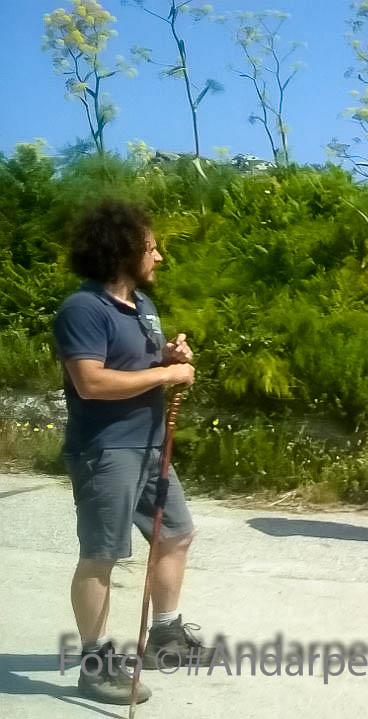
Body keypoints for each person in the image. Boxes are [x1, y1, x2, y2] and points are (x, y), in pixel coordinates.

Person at [53, 199, 211, 705]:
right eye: (150, 247)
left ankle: (164, 636)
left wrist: (165, 355)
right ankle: (95, 664)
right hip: (106, 448)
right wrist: (167, 374)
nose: (159, 256)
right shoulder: (83, 309)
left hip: (149, 445)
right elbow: (91, 381)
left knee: (177, 533)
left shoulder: (141, 306)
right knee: (102, 555)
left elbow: (130, 362)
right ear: (123, 251)